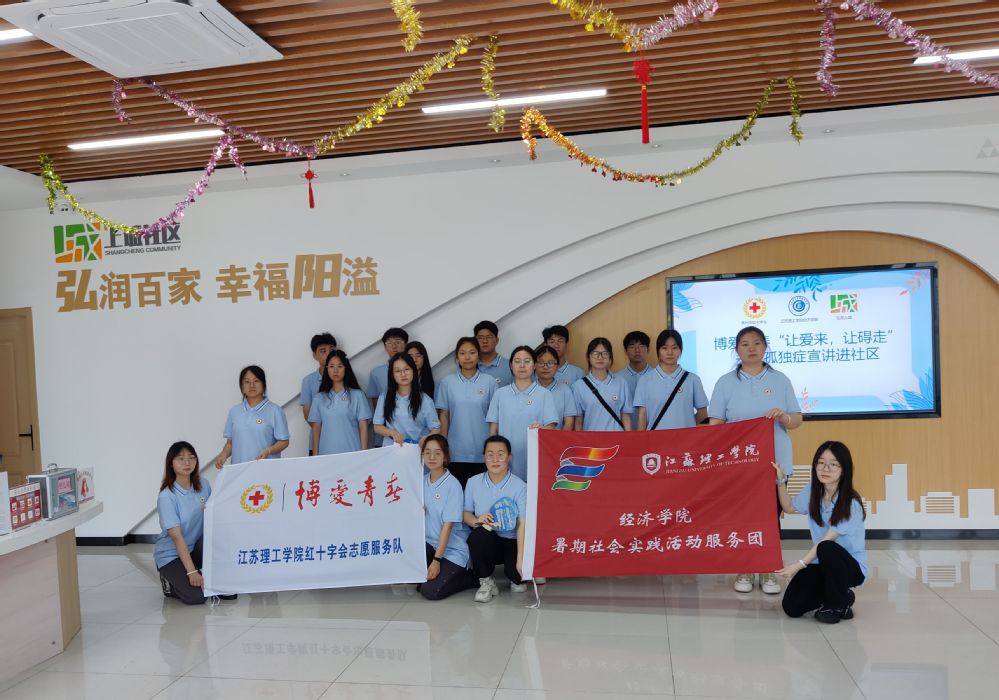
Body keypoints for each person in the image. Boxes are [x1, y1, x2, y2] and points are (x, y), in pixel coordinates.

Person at [709, 326, 802, 595]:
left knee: (771, 516)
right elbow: (715, 424)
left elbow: (797, 419)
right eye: (745, 344)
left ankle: (769, 568)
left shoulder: (780, 380)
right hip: (739, 464)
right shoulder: (725, 382)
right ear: (736, 350)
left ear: (765, 347)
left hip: (775, 462)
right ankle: (746, 567)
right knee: (743, 517)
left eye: (757, 343)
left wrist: (784, 418)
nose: (751, 348)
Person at [774, 441, 867, 624]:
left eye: (833, 464)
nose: (826, 468)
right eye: (821, 463)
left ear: (844, 470)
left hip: (850, 568)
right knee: (792, 607)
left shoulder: (850, 503)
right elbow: (789, 507)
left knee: (826, 547)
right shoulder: (813, 490)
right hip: (822, 563)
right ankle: (843, 596)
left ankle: (836, 605)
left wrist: (799, 565)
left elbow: (826, 541)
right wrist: (781, 480)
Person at [155, 441, 235, 604]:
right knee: (197, 597)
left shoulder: (203, 484)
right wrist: (192, 573)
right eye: (181, 459)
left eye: (191, 458)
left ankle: (205, 574)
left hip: (196, 547)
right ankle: (169, 582)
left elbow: (213, 517)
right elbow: (177, 538)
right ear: (171, 463)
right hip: (171, 555)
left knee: (229, 593)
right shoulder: (167, 496)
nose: (187, 463)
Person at [464, 435, 527, 602]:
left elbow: (522, 524)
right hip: (489, 540)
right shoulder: (473, 482)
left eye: (500, 454)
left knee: (518, 579)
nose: (495, 459)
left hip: (513, 541)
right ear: (484, 457)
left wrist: (521, 559)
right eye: (490, 454)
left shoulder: (520, 486)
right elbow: (465, 513)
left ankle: (514, 572)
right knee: (478, 535)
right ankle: (486, 581)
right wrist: (478, 520)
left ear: (509, 457)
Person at [486, 346, 558, 480]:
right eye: (517, 361)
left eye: (527, 361)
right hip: (505, 462)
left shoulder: (544, 394)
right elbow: (493, 431)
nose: (522, 366)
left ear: (534, 365)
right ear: (511, 365)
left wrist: (541, 428)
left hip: (535, 461)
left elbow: (551, 428)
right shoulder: (500, 394)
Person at [420, 435, 477, 600]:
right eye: (427, 452)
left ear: (445, 456)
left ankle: (469, 577)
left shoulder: (453, 485)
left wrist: (437, 561)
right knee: (414, 580)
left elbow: (448, 526)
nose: (432, 457)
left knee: (430, 591)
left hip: (452, 549)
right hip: (430, 543)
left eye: (437, 453)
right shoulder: (421, 481)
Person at [435, 337, 496, 487]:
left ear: (478, 355)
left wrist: (493, 448)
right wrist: (443, 447)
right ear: (457, 357)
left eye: (472, 352)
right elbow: (444, 416)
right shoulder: (447, 382)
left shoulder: (490, 381)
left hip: (483, 451)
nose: (467, 357)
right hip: (455, 452)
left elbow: (494, 418)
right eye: (462, 353)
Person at [213, 366, 289, 468]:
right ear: (242, 386)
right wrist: (224, 454)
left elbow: (284, 441)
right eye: (247, 382)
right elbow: (230, 443)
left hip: (265, 470)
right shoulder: (234, 411)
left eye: (256, 381)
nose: (251, 385)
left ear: (263, 384)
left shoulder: (275, 411)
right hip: (239, 470)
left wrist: (268, 450)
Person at [634, 330, 708, 430]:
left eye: (674, 348)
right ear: (658, 351)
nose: (670, 352)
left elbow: (703, 412)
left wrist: (688, 425)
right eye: (664, 348)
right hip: (656, 438)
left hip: (685, 438)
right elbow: (642, 415)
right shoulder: (645, 380)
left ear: (680, 350)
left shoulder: (693, 379)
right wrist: (641, 439)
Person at [308, 350, 371, 455]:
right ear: (327, 369)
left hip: (352, 454)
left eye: (340, 366)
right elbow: (316, 429)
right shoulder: (319, 398)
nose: (335, 370)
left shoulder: (358, 395)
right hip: (327, 455)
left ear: (346, 368)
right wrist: (315, 456)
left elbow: (363, 427)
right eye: (331, 366)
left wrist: (363, 454)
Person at [373, 352, 441, 446]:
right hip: (392, 448)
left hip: (416, 448)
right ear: (392, 375)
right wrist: (392, 433)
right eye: (397, 371)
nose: (403, 374)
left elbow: (436, 428)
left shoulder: (425, 400)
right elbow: (377, 427)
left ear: (413, 371)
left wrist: (427, 438)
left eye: (407, 369)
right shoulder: (384, 397)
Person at [571, 337, 633, 431]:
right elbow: (579, 420)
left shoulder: (621, 382)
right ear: (588, 357)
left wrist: (628, 436)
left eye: (605, 353)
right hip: (591, 438)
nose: (600, 357)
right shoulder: (578, 386)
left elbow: (625, 415)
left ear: (610, 357)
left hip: (616, 437)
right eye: (595, 353)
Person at [299, 332, 337, 430]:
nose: (328, 354)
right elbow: (308, 415)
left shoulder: (347, 376)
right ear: (315, 356)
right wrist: (326, 433)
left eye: (331, 350)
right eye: (323, 351)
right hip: (320, 434)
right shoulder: (308, 381)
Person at [534, 345, 577, 430]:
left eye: (550, 363)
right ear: (534, 365)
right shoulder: (529, 389)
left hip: (556, 437)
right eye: (541, 362)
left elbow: (569, 422)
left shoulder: (565, 390)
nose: (545, 367)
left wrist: (561, 438)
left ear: (557, 366)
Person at [367, 327, 409, 407]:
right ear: (385, 347)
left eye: (398, 342)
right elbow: (375, 399)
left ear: (406, 345)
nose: (394, 346)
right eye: (389, 343)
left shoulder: (414, 369)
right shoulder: (376, 373)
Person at [474, 320, 513, 387]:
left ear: (497, 340)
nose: (485, 341)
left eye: (489, 337)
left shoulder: (510, 366)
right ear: (475, 341)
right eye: (480, 338)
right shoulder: (469, 366)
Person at [619, 330, 653, 397]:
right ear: (625, 351)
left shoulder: (657, 377)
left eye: (641, 346)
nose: (637, 350)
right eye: (632, 346)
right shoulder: (618, 378)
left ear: (648, 349)